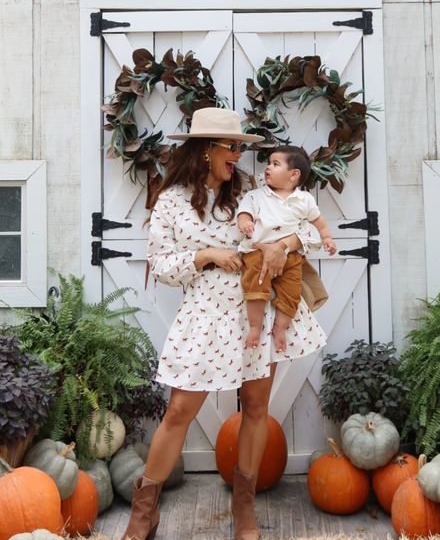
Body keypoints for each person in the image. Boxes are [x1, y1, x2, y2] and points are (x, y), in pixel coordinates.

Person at [121, 108, 326, 540]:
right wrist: (207, 256)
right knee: (179, 410)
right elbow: (160, 265)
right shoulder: (172, 201)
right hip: (204, 314)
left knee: (255, 408)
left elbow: (307, 231)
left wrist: (283, 245)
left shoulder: (251, 193)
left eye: (240, 147)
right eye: (231, 147)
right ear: (205, 149)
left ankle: (244, 510)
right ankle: (145, 511)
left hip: (256, 308)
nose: (238, 155)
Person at [237, 145, 337, 353]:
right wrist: (245, 222)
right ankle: (255, 327)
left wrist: (327, 238)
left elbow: (319, 222)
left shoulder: (305, 200)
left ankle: (280, 328)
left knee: (291, 293)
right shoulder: (256, 196)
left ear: (294, 175)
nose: (268, 167)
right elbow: (244, 212)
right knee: (255, 287)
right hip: (257, 253)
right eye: (269, 163)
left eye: (275, 164)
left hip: (291, 257)